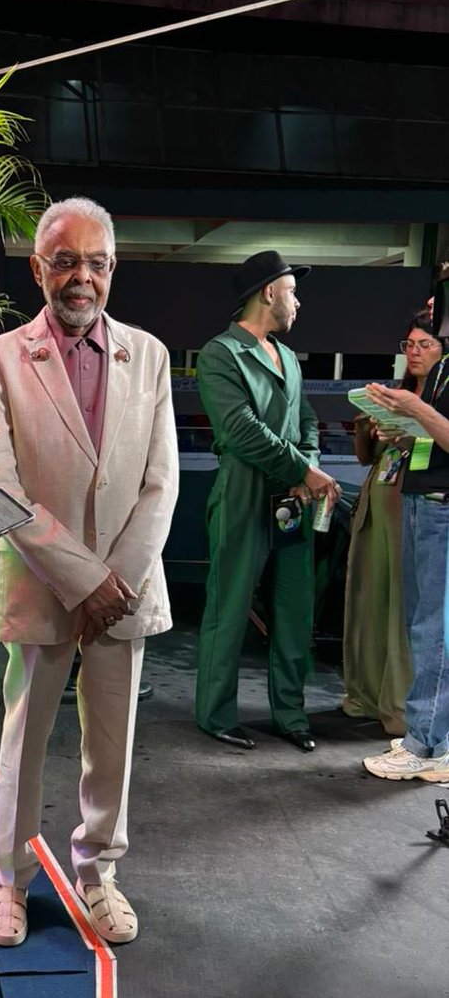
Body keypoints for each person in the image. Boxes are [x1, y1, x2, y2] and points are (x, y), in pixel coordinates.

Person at [0, 196, 178, 947]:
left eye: (97, 263)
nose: (81, 278)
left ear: (113, 270)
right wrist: (80, 578)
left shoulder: (151, 355)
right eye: (65, 261)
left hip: (122, 593)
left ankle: (98, 874)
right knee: (23, 739)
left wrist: (112, 582)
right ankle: (9, 880)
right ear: (39, 268)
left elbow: (162, 484)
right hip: (41, 587)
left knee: (114, 742)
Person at [195, 250, 340, 753]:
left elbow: (306, 420)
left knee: (293, 609)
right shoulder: (221, 354)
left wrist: (308, 468)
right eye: (292, 291)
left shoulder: (286, 357)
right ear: (269, 293)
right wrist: (303, 470)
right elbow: (239, 432)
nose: (297, 302)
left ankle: (291, 715)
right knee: (229, 607)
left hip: (293, 498)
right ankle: (215, 714)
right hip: (243, 493)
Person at [362, 312, 449, 781]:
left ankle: (426, 743)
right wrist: (405, 429)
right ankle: (437, 736)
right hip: (424, 502)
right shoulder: (440, 371)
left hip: (441, 509)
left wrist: (415, 410)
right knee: (426, 623)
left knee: (434, 627)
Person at [342, 311, 438, 734]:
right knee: (366, 602)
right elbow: (367, 458)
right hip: (374, 503)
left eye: (424, 345)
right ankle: (363, 695)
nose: (414, 352)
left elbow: (430, 455)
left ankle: (400, 709)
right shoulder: (397, 394)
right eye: (409, 344)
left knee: (405, 610)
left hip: (411, 510)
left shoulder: (434, 403)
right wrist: (366, 427)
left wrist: (410, 430)